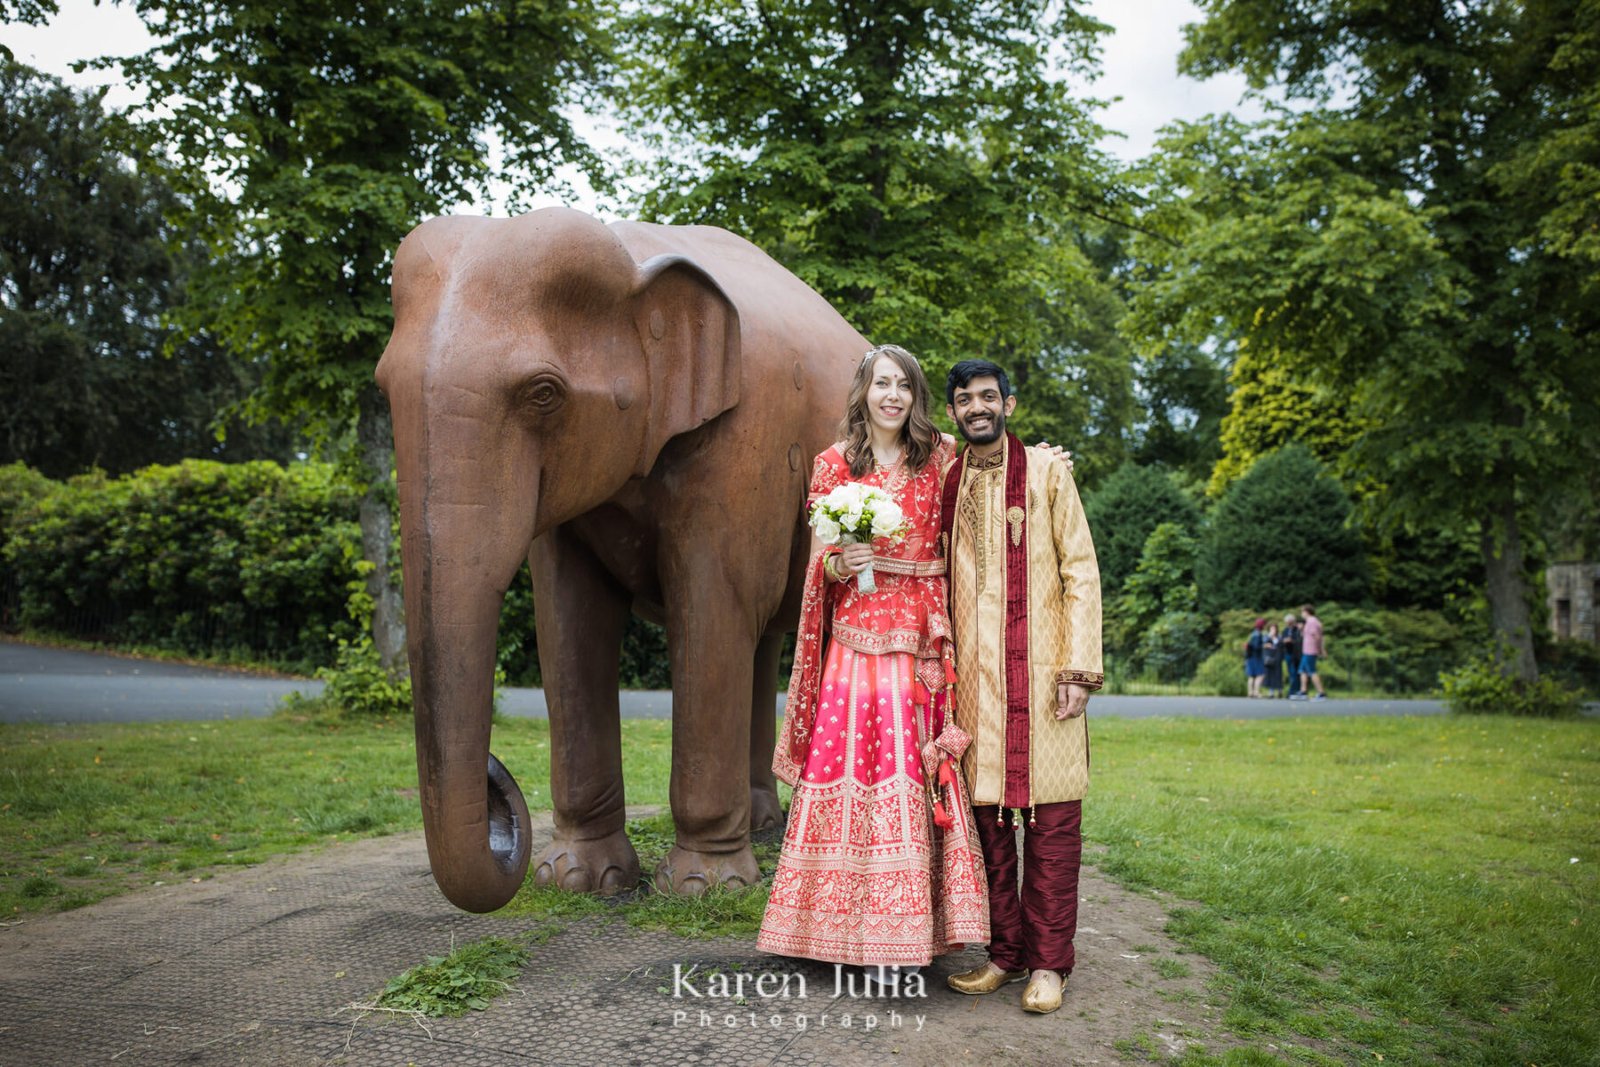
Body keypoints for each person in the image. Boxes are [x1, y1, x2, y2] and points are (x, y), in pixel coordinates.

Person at [761, 345, 989, 987]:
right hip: (855, 643)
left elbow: (998, 462)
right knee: (849, 762)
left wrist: (1050, 459)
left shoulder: (940, 455)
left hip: (920, 634)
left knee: (912, 763)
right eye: (882, 384)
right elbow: (819, 562)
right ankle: (826, 924)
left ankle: (913, 927)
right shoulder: (834, 466)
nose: (893, 395)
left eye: (905, 386)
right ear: (862, 392)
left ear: (916, 397)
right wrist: (846, 559)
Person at [938, 360, 1102, 1016]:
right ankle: (1005, 956)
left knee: (1054, 827)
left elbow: (1081, 570)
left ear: (1008, 401)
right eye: (963, 400)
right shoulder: (949, 479)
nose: (977, 408)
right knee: (991, 833)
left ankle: (1050, 964)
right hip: (976, 688)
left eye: (987, 397)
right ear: (953, 412)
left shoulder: (1046, 471)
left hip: (1044, 679)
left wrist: (1078, 670)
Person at [1296, 603, 1327, 701]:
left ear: (1307, 612)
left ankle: (1321, 693)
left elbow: (1317, 636)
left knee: (1312, 671)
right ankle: (1303, 691)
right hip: (1306, 650)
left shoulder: (1312, 621)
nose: (1301, 613)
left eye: (1302, 611)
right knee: (1302, 670)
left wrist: (1320, 649)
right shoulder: (1308, 622)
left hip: (1310, 650)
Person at [1281, 612, 1303, 698]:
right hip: (1288, 653)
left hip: (1296, 654)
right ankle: (1293, 691)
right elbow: (1282, 640)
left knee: (1297, 673)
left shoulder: (1297, 630)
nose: (1289, 624)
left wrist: (1292, 641)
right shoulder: (1285, 630)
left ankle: (1294, 691)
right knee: (1292, 673)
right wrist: (1285, 640)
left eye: (1290, 622)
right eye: (1288, 622)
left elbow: (1299, 640)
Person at [1244, 617, 1267, 698]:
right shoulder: (1258, 635)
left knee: (1251, 676)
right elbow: (1257, 646)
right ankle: (1256, 692)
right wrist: (1264, 645)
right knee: (1260, 675)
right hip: (1256, 657)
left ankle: (1250, 692)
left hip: (1249, 657)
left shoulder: (1252, 633)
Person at [1262, 621, 1284, 698]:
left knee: (1278, 674)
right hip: (1269, 658)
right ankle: (1271, 692)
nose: (1273, 630)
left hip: (1278, 657)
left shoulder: (1279, 637)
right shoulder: (1266, 636)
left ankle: (1280, 691)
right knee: (1270, 674)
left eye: (1274, 628)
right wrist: (1269, 637)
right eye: (1271, 628)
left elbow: (1281, 645)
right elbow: (1263, 644)